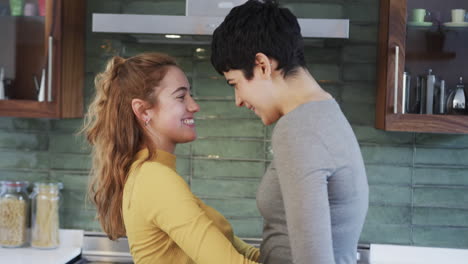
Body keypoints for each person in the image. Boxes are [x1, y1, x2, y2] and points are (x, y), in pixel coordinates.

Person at [210, 1, 369, 264]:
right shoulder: (326, 113)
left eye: (235, 83)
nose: (238, 100)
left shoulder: (298, 129)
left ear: (262, 65)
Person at [82, 53, 260, 264]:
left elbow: (242, 253)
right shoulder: (155, 179)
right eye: (180, 96)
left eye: (190, 95)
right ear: (142, 110)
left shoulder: (151, 174)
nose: (194, 106)